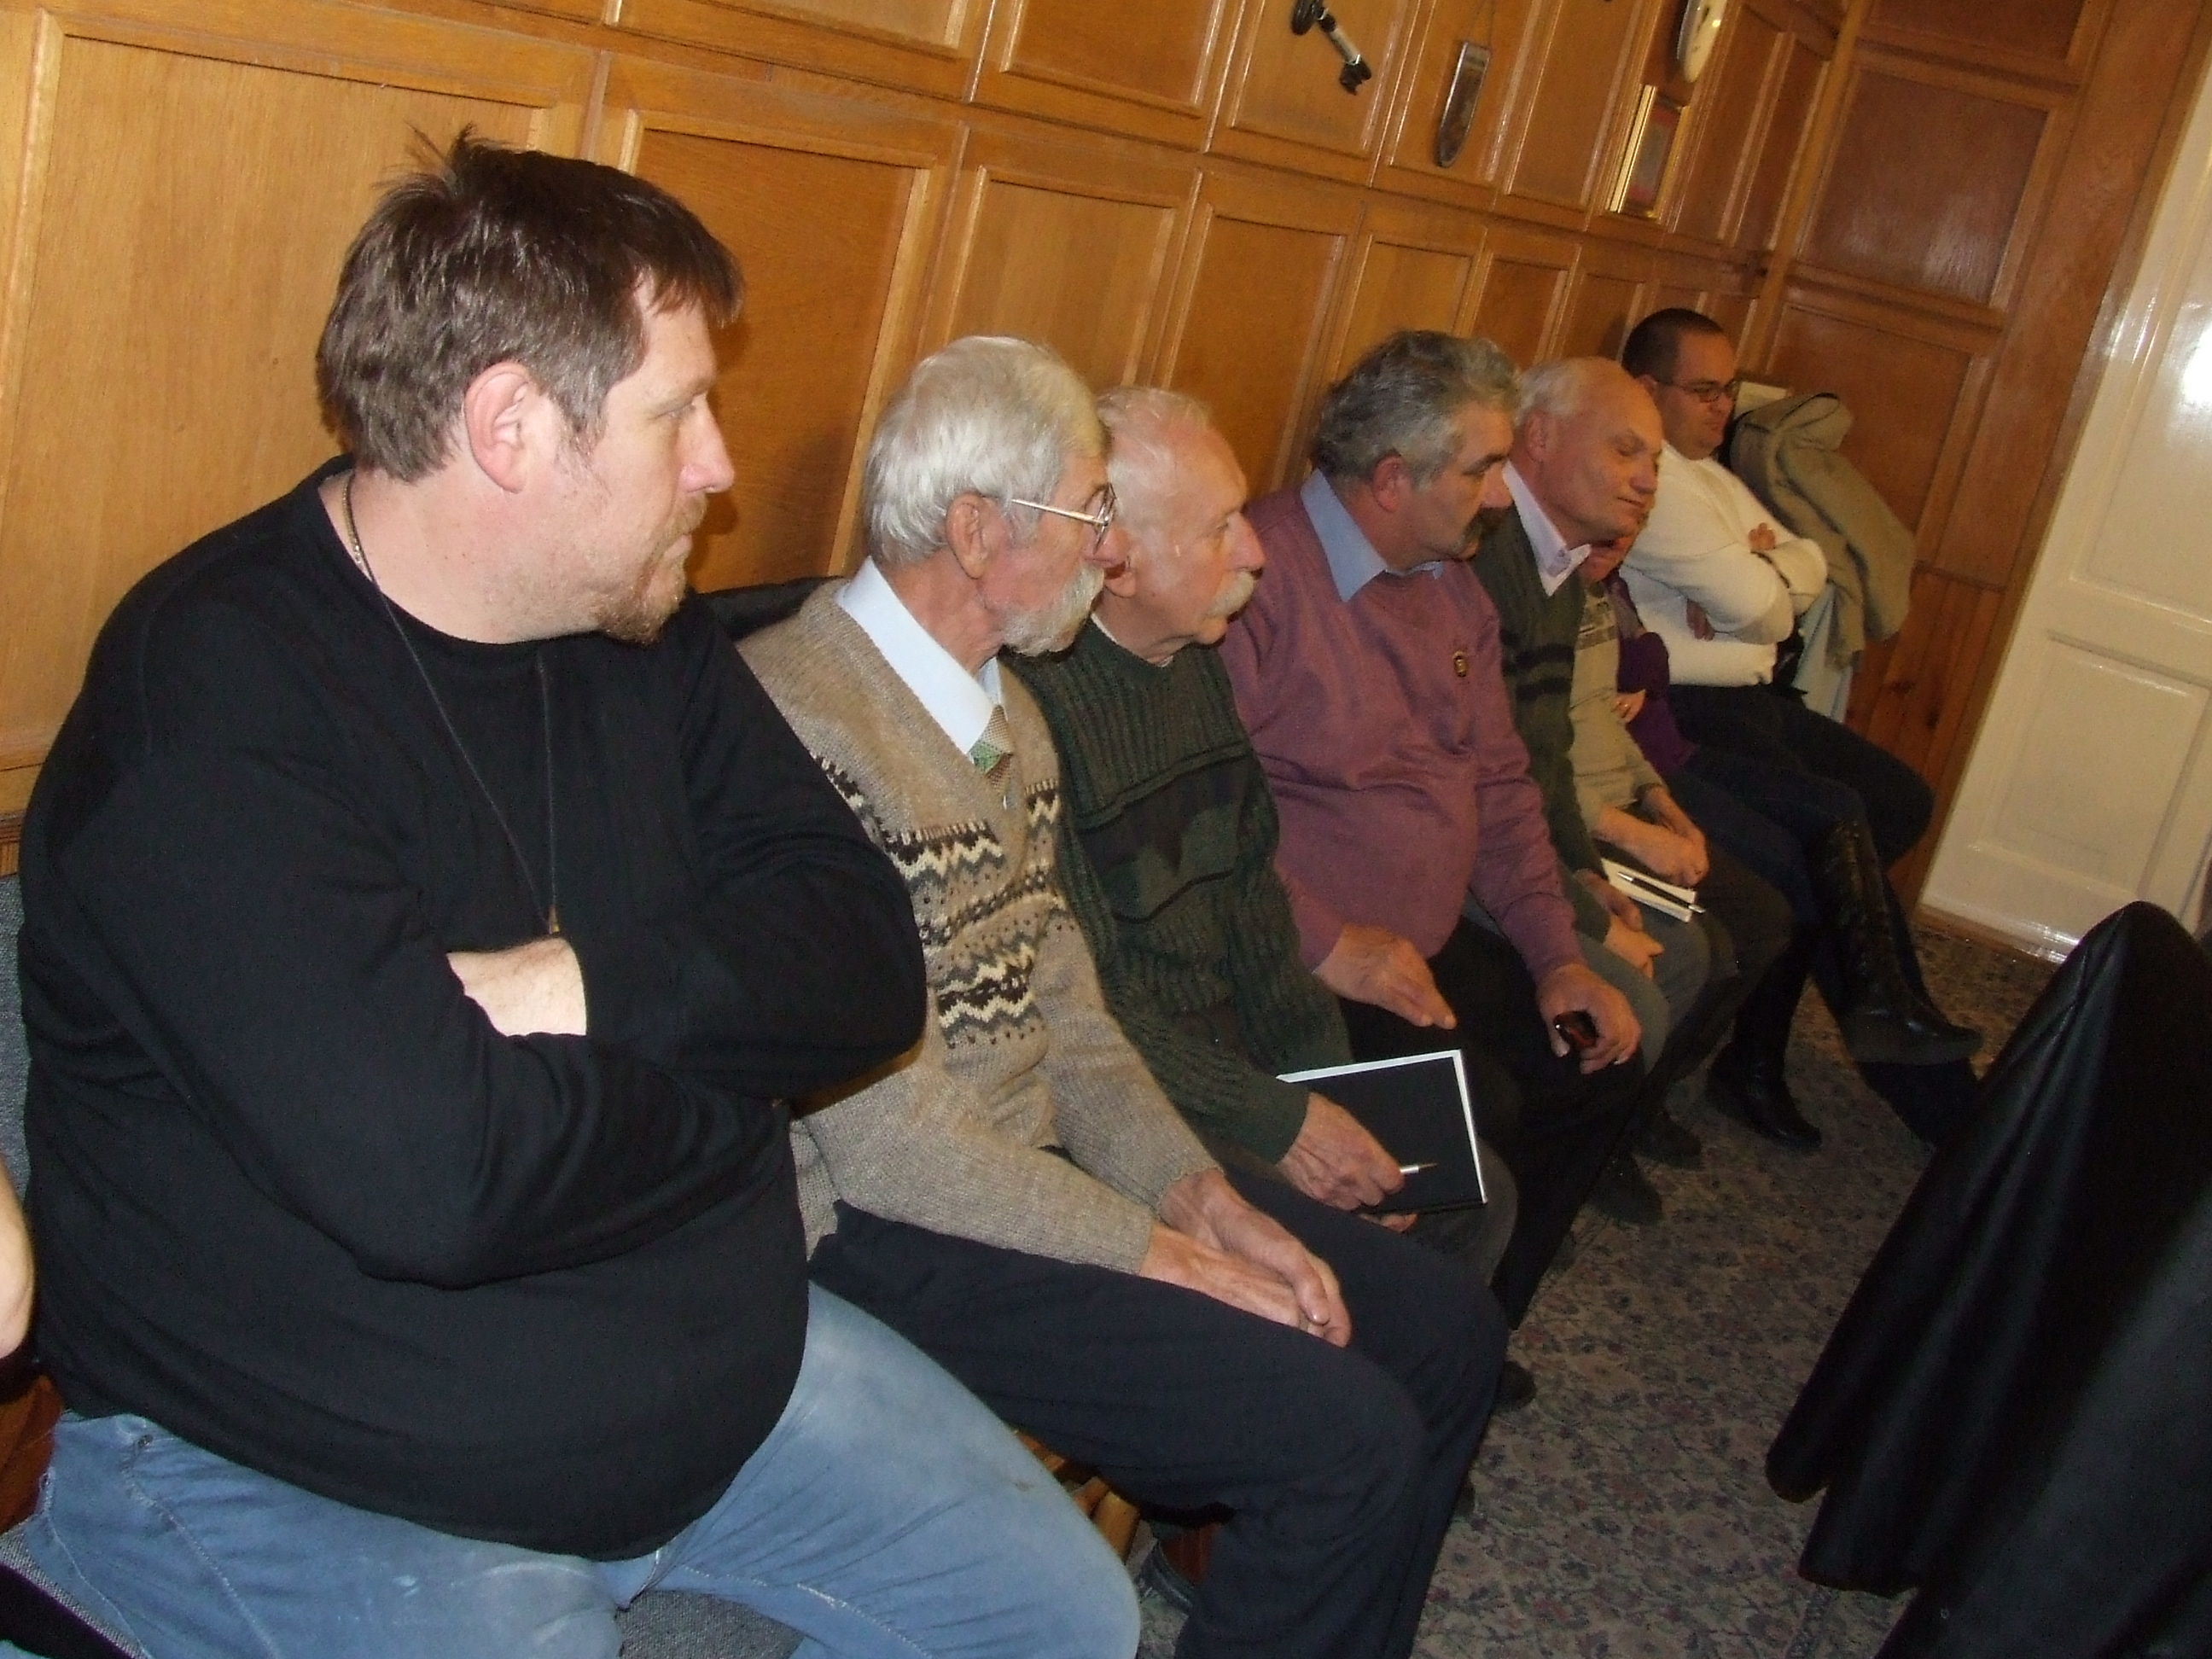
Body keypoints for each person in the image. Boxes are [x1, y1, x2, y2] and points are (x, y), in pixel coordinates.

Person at [15, 135, 1139, 1659]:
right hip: (324, 1466)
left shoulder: (635, 632)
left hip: (719, 1378)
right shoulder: (208, 707)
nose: (720, 463)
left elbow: (869, 962)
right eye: (679, 411)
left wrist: (586, 988)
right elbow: (444, 1182)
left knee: (1070, 1617)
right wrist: (737, 1100)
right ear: (511, 427)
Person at [741, 335, 1498, 1659]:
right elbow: (889, 1145)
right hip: (875, 1223)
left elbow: (1074, 1020)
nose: (1109, 550)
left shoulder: (1003, 714)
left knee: (1444, 1336)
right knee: (1345, 1443)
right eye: (1089, 514)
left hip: (1021, 1169)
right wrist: (1168, 1254)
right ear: (977, 532)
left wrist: (1198, 1195)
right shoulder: (796, 729)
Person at [1010, 385, 1527, 1401]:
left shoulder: (1191, 667)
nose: (1254, 550)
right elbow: (1089, 1011)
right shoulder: (1038, 714)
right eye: (1219, 529)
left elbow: (1257, 915)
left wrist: (1329, 1092)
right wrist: (1283, 1123)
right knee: (1418, 1293)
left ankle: (1380, 1404)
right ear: (1116, 561)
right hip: (1138, 1101)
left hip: (1237, 1066)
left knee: (1471, 1191)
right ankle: (1346, 1422)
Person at [1220, 329, 1644, 1324]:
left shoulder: (1452, 587)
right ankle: (1409, 1338)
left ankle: (1482, 1326)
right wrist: (1326, 941)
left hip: (1428, 943)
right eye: (1482, 470)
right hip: (1305, 959)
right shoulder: (1257, 583)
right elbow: (1211, 819)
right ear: (1391, 479)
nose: (1500, 497)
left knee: (1594, 1061)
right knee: (1479, 1109)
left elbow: (1501, 785)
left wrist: (1557, 957)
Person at [1620, 308, 1979, 1133]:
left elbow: (1807, 560)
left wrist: (1764, 573)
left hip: (1753, 696)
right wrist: (1758, 577)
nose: (1724, 408)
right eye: (1705, 391)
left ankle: (1797, 1035)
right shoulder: (1654, 478)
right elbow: (1765, 605)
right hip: (1692, 705)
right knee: (1822, 834)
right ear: (1647, 388)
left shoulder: (1712, 475)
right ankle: (1904, 1059)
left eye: (1730, 389)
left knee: (1898, 802)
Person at [1476, 358, 1791, 1201]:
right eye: (1625, 452)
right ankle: (1571, 1165)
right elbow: (1495, 779)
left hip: (1543, 832)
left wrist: (1589, 865)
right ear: (1540, 439)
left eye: (1652, 460)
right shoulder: (1497, 563)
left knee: (1751, 915)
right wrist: (1584, 893)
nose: (1648, 480)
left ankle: (1597, 1141)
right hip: (1480, 850)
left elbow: (1549, 753)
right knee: (1672, 965)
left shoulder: (1561, 574)